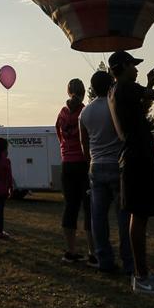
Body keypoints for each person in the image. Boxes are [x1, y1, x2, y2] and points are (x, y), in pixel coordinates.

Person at [107, 52, 154, 296]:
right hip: (137, 158)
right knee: (139, 216)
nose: (136, 70)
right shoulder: (126, 86)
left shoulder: (116, 90)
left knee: (139, 214)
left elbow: (144, 106)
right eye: (133, 66)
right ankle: (142, 276)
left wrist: (148, 83)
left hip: (131, 157)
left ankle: (141, 273)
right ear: (123, 66)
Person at [80, 69, 130, 276]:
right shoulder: (114, 107)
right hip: (117, 164)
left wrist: (91, 160)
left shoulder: (85, 113)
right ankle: (129, 261)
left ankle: (104, 260)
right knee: (123, 216)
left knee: (98, 217)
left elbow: (84, 144)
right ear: (111, 84)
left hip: (96, 166)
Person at [55, 78, 94, 264]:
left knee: (70, 207)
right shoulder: (85, 112)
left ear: (68, 91)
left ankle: (70, 251)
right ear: (83, 92)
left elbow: (59, 136)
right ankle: (92, 252)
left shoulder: (62, 114)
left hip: (67, 164)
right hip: (83, 163)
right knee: (89, 209)